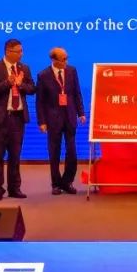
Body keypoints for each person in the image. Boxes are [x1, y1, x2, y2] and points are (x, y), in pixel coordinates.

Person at [0, 39, 36, 200]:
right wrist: (8, 83)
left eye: (22, 51)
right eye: (18, 51)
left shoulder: (24, 68)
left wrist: (20, 85)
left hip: (18, 118)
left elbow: (32, 89)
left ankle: (14, 188)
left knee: (15, 155)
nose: (21, 54)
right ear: (8, 51)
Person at [36, 47, 87, 195]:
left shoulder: (72, 71)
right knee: (54, 152)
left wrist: (81, 113)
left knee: (72, 151)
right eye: (63, 59)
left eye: (66, 58)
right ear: (53, 59)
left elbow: (76, 93)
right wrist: (42, 121)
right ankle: (56, 184)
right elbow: (40, 101)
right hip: (53, 119)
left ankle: (67, 182)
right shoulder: (43, 75)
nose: (66, 62)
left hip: (70, 116)